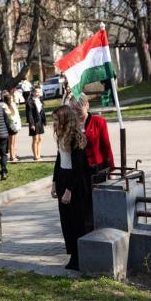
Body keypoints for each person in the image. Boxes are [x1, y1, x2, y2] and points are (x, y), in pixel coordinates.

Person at [49, 105, 93, 271]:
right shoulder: (61, 136)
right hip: (62, 178)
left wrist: (69, 190)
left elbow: (78, 167)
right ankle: (73, 254)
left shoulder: (76, 137)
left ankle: (79, 257)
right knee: (66, 221)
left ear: (65, 120)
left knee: (77, 222)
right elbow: (59, 160)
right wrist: (54, 182)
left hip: (75, 183)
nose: (53, 123)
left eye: (56, 119)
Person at [70, 93, 115, 177]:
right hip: (77, 171)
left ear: (87, 105)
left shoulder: (98, 122)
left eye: (79, 107)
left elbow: (106, 147)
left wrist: (111, 169)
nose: (76, 111)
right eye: (73, 108)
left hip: (96, 169)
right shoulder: (70, 125)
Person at [26, 87, 46, 161]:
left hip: (40, 121)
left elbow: (42, 111)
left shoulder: (40, 100)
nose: (38, 93)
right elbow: (29, 114)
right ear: (33, 93)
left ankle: (39, 154)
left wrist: (44, 121)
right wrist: (32, 124)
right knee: (35, 139)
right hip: (34, 122)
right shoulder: (30, 101)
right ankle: (35, 156)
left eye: (39, 92)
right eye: (36, 92)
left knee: (40, 138)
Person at [2, 91, 21, 162]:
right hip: (10, 126)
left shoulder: (12, 105)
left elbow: (15, 115)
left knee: (14, 142)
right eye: (11, 99)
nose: (13, 100)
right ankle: (12, 157)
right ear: (8, 100)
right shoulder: (5, 107)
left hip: (15, 125)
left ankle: (14, 155)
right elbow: (8, 117)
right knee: (11, 142)